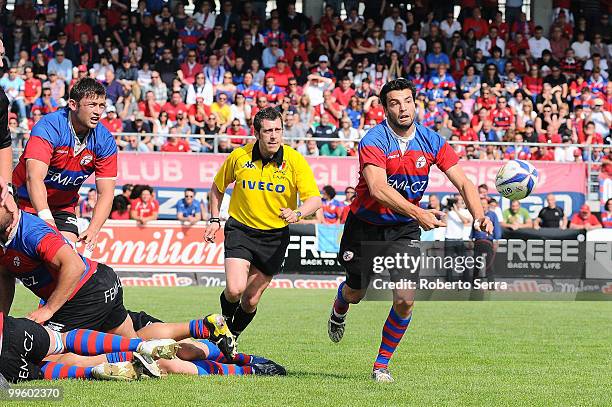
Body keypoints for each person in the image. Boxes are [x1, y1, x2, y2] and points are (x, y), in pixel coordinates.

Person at [326, 78, 493, 383]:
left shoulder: (432, 140)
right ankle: (340, 307)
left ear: (416, 103)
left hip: (403, 230)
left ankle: (381, 365)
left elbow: (465, 183)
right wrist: (419, 212)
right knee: (355, 292)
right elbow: (377, 189)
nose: (402, 108)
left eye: (407, 101)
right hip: (364, 227)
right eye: (394, 103)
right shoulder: (374, 140)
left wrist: (480, 216)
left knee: (405, 299)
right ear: (385, 108)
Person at [204, 107, 322, 338]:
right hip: (241, 229)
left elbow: (314, 200)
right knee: (235, 289)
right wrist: (214, 218)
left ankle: (232, 337)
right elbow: (217, 188)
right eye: (268, 131)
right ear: (256, 133)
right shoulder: (239, 156)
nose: (274, 136)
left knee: (250, 299)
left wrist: (297, 213)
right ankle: (224, 326)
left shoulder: (295, 160)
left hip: (274, 237)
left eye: (278, 130)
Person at [11, 78, 117, 254]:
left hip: (62, 207)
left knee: (69, 259)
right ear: (73, 105)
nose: (98, 112)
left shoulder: (105, 140)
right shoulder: (49, 126)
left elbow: (106, 192)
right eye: (92, 105)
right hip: (22, 200)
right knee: (8, 266)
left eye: (101, 106)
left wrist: (93, 228)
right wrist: (46, 219)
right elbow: (33, 178)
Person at [0, 312, 179, 383]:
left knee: (41, 371)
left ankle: (92, 372)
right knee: (64, 340)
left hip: (5, 366)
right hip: (11, 331)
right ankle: (139, 346)